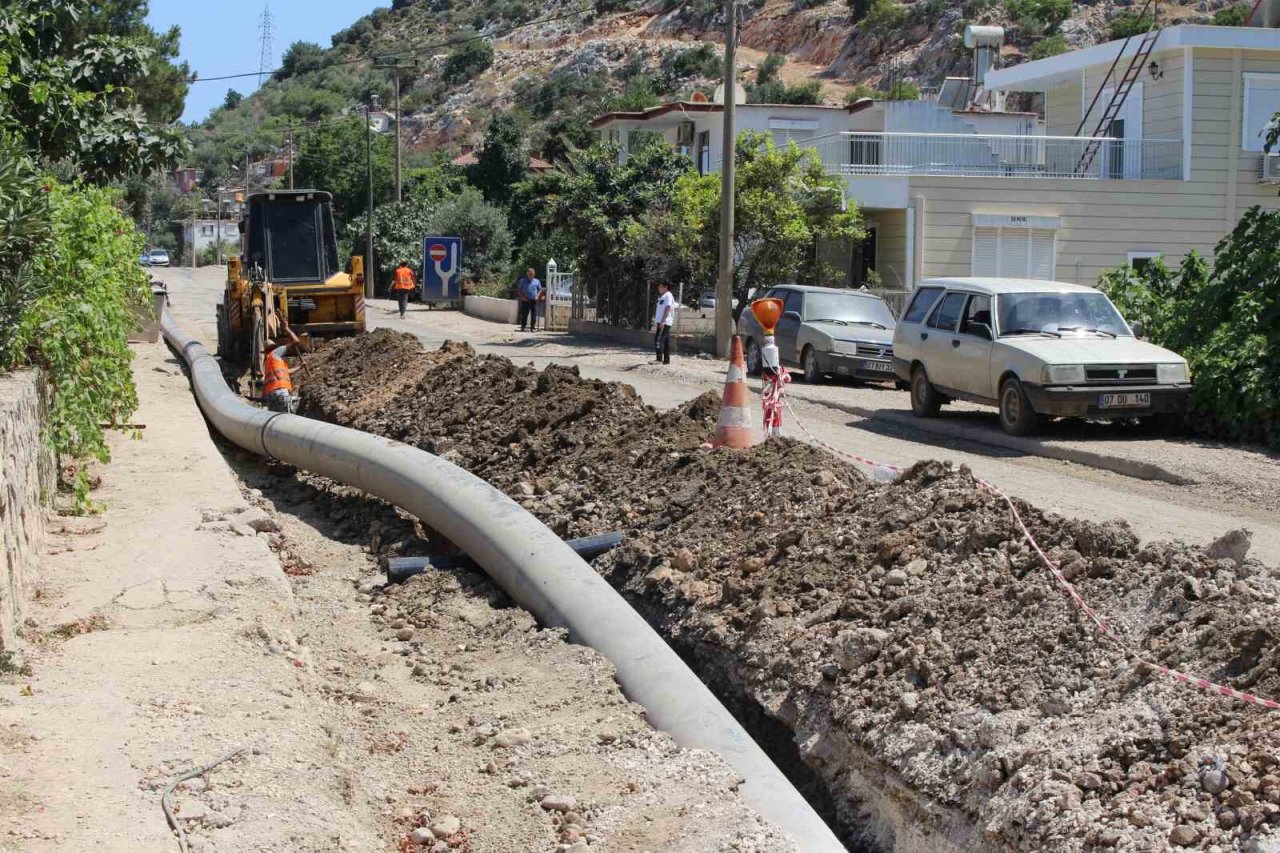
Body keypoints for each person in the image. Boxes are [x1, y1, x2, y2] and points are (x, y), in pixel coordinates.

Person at [263, 322, 301, 413]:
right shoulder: (276, 352)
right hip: (280, 391)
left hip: (270, 394)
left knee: (275, 420)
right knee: (286, 418)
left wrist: (300, 367)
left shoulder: (269, 361)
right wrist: (287, 328)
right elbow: (296, 341)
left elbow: (286, 372)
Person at [653, 282, 675, 365]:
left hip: (665, 322)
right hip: (662, 322)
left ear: (666, 287)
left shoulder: (668, 295)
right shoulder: (663, 296)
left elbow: (668, 308)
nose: (659, 288)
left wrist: (662, 321)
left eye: (660, 286)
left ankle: (659, 359)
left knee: (658, 340)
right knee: (665, 341)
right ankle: (666, 360)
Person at [516, 268, 541, 332]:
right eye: (530, 274)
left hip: (533, 301)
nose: (531, 275)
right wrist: (522, 296)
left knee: (534, 315)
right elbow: (519, 290)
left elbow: (540, 290)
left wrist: (537, 296)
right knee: (524, 315)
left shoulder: (537, 281)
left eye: (532, 274)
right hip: (525, 300)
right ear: (527, 274)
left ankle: (532, 328)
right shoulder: (523, 281)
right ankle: (523, 327)